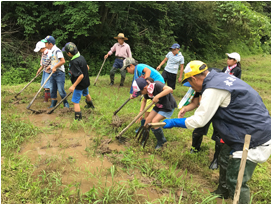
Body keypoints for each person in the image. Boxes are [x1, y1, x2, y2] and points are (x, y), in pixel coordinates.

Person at [163, 60, 271, 203]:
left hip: (253, 136)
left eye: (190, 83)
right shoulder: (218, 77)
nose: (192, 88)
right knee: (224, 157)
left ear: (194, 78)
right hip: (241, 129)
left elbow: (199, 120)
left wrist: (173, 122)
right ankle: (223, 191)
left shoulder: (213, 88)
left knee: (236, 180)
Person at [120, 57, 165, 131]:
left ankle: (145, 127)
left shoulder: (139, 67)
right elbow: (138, 86)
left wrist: (145, 82)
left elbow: (148, 70)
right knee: (144, 101)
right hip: (150, 88)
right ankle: (143, 125)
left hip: (157, 86)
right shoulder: (136, 74)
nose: (127, 71)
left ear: (131, 65)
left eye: (126, 69)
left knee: (148, 106)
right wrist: (134, 95)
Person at [133, 77, 177, 150]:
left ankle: (162, 141)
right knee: (147, 120)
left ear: (144, 87)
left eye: (140, 92)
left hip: (167, 106)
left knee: (154, 121)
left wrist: (157, 96)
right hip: (158, 106)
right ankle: (143, 138)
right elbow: (144, 101)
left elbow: (170, 89)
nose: (140, 94)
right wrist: (140, 112)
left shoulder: (156, 84)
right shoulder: (147, 92)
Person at [62, 42, 95, 120]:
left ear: (69, 53)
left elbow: (80, 75)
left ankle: (78, 118)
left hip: (79, 85)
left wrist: (73, 86)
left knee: (75, 101)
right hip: (85, 82)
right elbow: (87, 67)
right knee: (86, 93)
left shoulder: (74, 62)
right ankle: (91, 105)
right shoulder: (81, 57)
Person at [41, 36, 69, 108]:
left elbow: (63, 61)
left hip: (59, 73)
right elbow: (55, 61)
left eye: (46, 43)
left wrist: (55, 67)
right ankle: (53, 103)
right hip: (53, 73)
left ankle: (65, 103)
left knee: (60, 90)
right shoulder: (51, 51)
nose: (45, 45)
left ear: (50, 44)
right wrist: (51, 66)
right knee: (52, 89)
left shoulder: (57, 51)